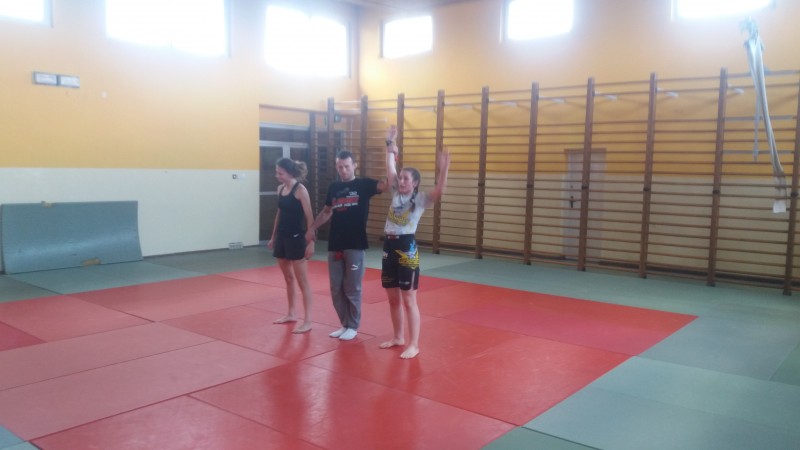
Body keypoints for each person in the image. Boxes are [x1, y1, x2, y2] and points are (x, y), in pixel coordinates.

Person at [380, 125, 450, 359]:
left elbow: (439, 191)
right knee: (392, 298)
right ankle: (398, 337)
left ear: (415, 183)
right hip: (389, 246)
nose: (400, 180)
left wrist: (444, 168)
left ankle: (414, 344)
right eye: (400, 177)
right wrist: (390, 142)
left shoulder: (419, 199)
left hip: (406, 248)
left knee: (408, 299)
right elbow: (390, 166)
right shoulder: (395, 193)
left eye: (405, 178)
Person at [305, 150, 387, 341]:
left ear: (354, 165)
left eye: (347, 166)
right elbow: (327, 211)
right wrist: (312, 228)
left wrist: (390, 153)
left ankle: (353, 326)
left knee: (352, 287)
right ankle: (344, 324)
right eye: (340, 167)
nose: (343, 170)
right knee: (336, 288)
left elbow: (387, 185)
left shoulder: (363, 185)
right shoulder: (334, 187)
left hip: (355, 244)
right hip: (335, 243)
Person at [267, 157, 315, 334]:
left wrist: (311, 242)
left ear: (289, 173)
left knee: (302, 281)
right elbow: (279, 214)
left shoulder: (300, 190)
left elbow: (309, 217)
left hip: (297, 239)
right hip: (282, 238)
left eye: (280, 173)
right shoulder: (280, 189)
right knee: (288, 278)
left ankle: (308, 320)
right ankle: (291, 313)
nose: (277, 176)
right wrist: (273, 237)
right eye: (277, 172)